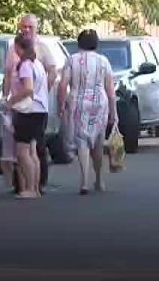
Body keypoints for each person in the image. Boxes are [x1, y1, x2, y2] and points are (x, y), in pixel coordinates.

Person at [2, 14, 57, 193]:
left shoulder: (38, 52)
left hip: (31, 107)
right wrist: (6, 96)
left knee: (30, 149)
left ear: (36, 29)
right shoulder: (16, 52)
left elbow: (49, 75)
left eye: (29, 27)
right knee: (27, 149)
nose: (26, 30)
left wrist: (40, 94)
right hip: (26, 106)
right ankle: (25, 186)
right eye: (23, 27)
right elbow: (8, 74)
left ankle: (36, 185)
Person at [58, 29, 117, 195]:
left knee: (82, 141)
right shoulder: (103, 61)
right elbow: (110, 89)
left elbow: (63, 85)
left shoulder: (72, 60)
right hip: (100, 104)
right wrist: (114, 112)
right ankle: (99, 179)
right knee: (98, 141)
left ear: (79, 43)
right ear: (96, 44)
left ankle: (84, 181)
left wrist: (61, 105)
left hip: (79, 104)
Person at [6, 33, 49, 199]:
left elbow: (28, 89)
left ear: (18, 47)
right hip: (40, 110)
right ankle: (35, 188)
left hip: (28, 111)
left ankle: (30, 188)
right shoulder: (37, 63)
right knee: (32, 151)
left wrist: (11, 102)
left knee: (22, 152)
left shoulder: (24, 65)